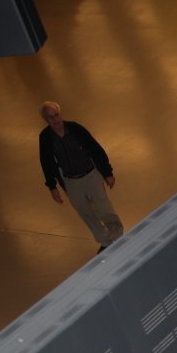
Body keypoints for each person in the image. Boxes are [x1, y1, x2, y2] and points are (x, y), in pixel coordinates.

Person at [37, 101, 124, 251]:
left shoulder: (76, 129)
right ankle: (105, 241)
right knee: (86, 213)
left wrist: (107, 172)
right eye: (50, 117)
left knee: (104, 209)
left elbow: (96, 149)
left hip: (91, 175)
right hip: (70, 181)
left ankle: (118, 236)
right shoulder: (45, 137)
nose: (55, 119)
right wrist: (52, 187)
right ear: (45, 119)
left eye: (56, 115)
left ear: (60, 114)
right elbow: (46, 162)